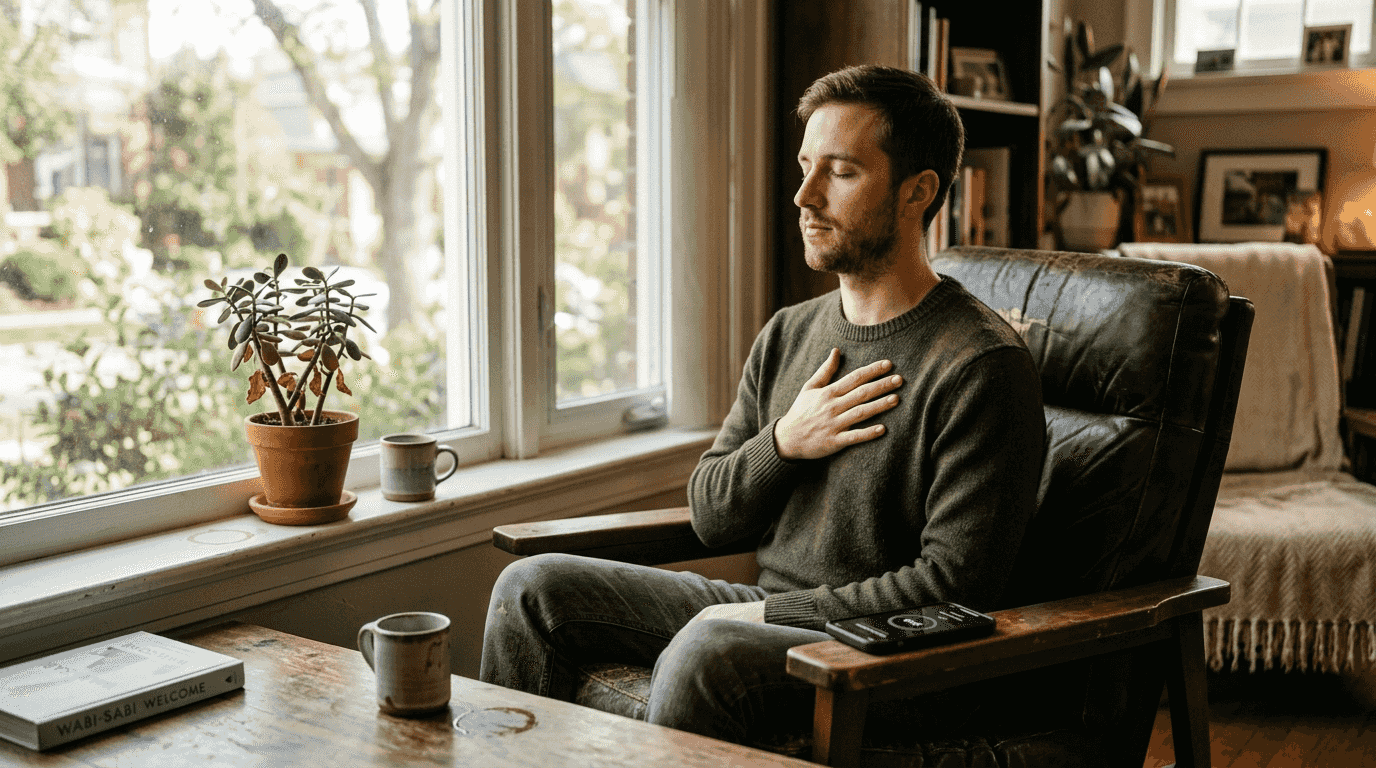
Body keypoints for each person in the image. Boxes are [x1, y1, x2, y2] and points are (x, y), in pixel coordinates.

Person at [479, 64, 1045, 754]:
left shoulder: (980, 365)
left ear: (916, 192)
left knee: (710, 644)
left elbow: (955, 585)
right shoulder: (790, 333)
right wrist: (784, 440)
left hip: (889, 658)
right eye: (806, 166)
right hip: (760, 616)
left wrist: (774, 616)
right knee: (530, 587)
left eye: (839, 172)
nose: (804, 195)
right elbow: (713, 513)